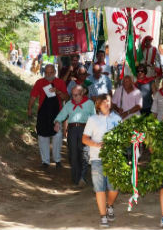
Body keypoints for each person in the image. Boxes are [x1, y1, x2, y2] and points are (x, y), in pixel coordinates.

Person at [82, 94, 122, 228]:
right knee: (99, 188)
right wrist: (97, 144)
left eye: (109, 101)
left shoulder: (117, 119)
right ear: (98, 105)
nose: (106, 104)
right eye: (104, 102)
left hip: (114, 158)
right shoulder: (92, 119)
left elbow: (123, 138)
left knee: (114, 188)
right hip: (97, 158)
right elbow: (85, 139)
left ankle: (109, 205)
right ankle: (103, 216)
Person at [28, 64, 69, 169]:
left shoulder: (60, 82)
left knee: (57, 136)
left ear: (54, 73)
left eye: (50, 72)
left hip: (57, 115)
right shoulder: (40, 82)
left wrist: (58, 91)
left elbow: (66, 97)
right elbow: (33, 96)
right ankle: (45, 161)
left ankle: (57, 160)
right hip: (43, 114)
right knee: (42, 137)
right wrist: (29, 109)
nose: (48, 74)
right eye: (46, 72)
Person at [54, 85, 95, 186]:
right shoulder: (69, 104)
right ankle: (75, 177)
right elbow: (61, 115)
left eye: (76, 95)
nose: (74, 97)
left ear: (82, 94)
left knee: (83, 153)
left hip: (84, 129)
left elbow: (94, 117)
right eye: (73, 95)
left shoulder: (89, 103)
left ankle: (82, 177)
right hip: (72, 130)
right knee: (73, 153)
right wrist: (57, 122)